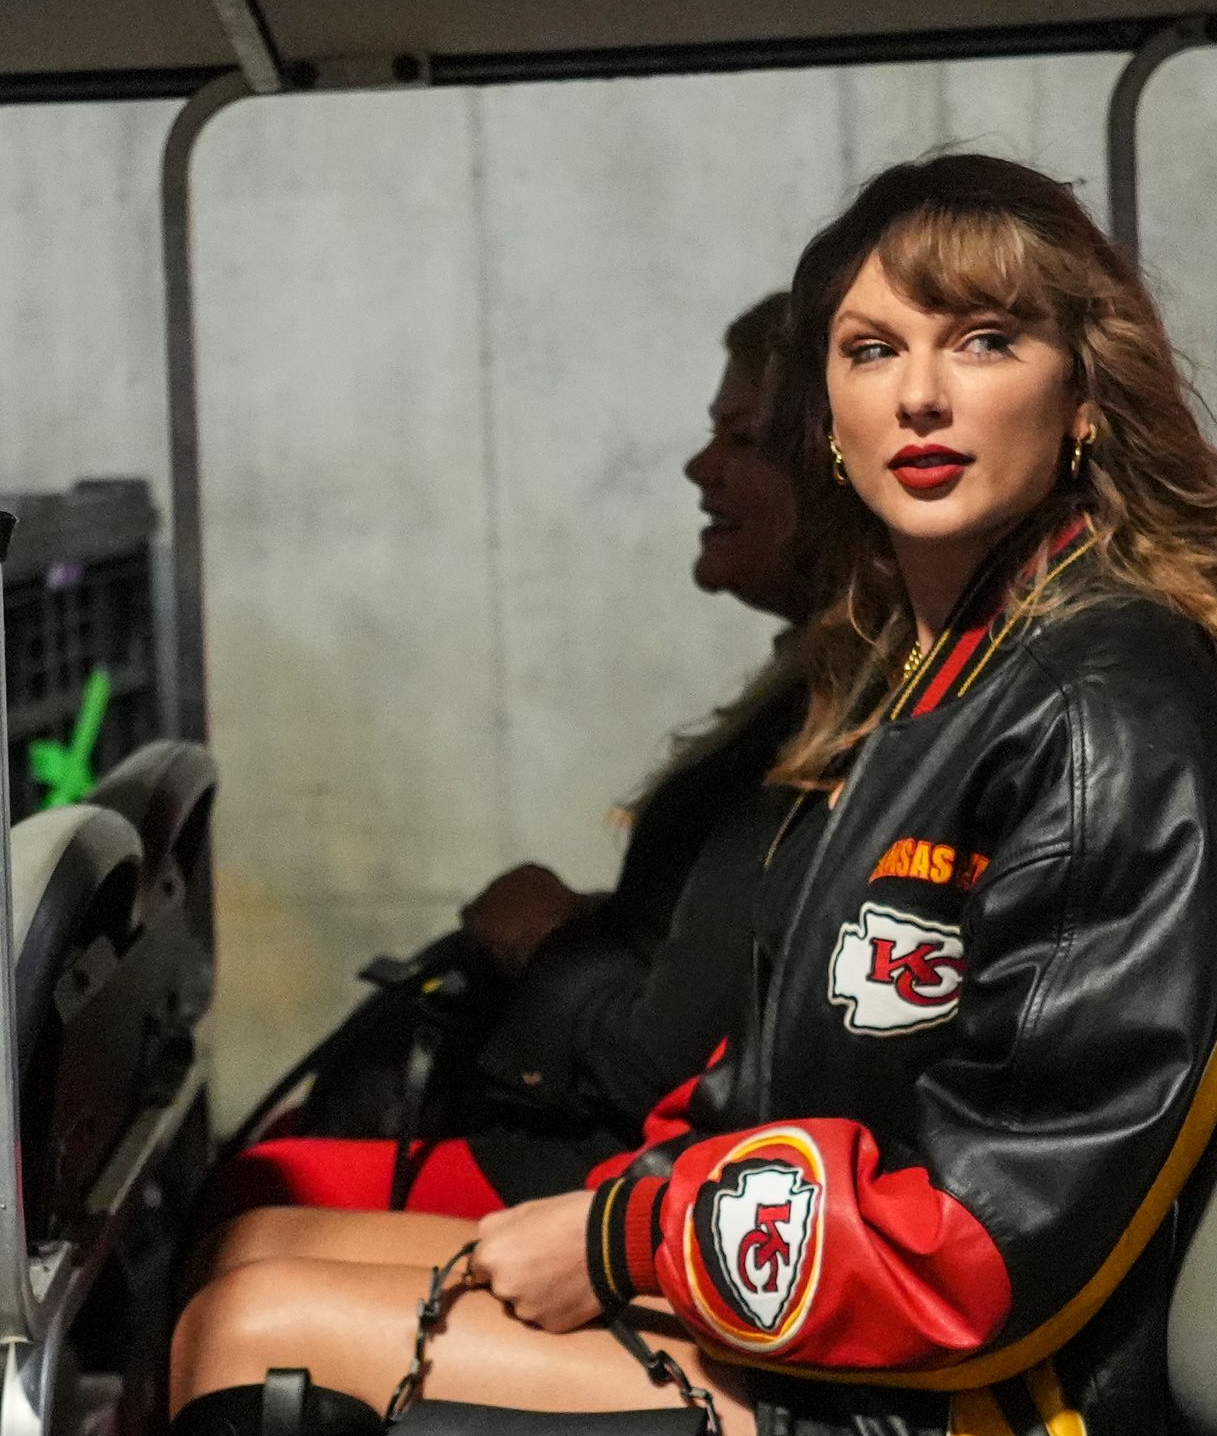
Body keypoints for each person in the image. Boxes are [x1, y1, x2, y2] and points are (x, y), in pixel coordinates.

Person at [151, 155, 1217, 1436]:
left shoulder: (1108, 709)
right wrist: (634, 1205)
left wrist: (629, 1241)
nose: (925, 398)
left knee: (253, 1355)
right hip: (850, 1353)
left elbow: (983, 1248)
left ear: (1082, 382)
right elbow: (807, 1088)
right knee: (248, 1270)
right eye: (875, 353)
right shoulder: (964, 664)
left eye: (983, 340)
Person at [217, 292, 817, 1216]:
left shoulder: (836, 720)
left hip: (613, 1184)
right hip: (586, 1150)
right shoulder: (819, 685)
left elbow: (670, 1065)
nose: (702, 467)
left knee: (253, 1203)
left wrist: (547, 940)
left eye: (743, 439)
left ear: (829, 475)